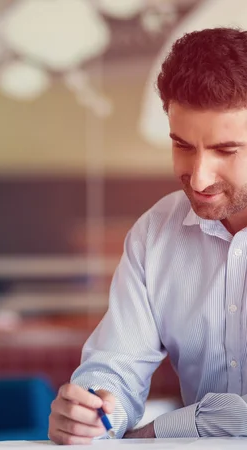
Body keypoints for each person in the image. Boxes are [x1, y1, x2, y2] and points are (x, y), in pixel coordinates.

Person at [48, 27, 247, 444]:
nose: (198, 176)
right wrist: (94, 411)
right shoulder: (156, 233)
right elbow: (116, 366)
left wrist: (159, 431)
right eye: (182, 145)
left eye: (226, 151)